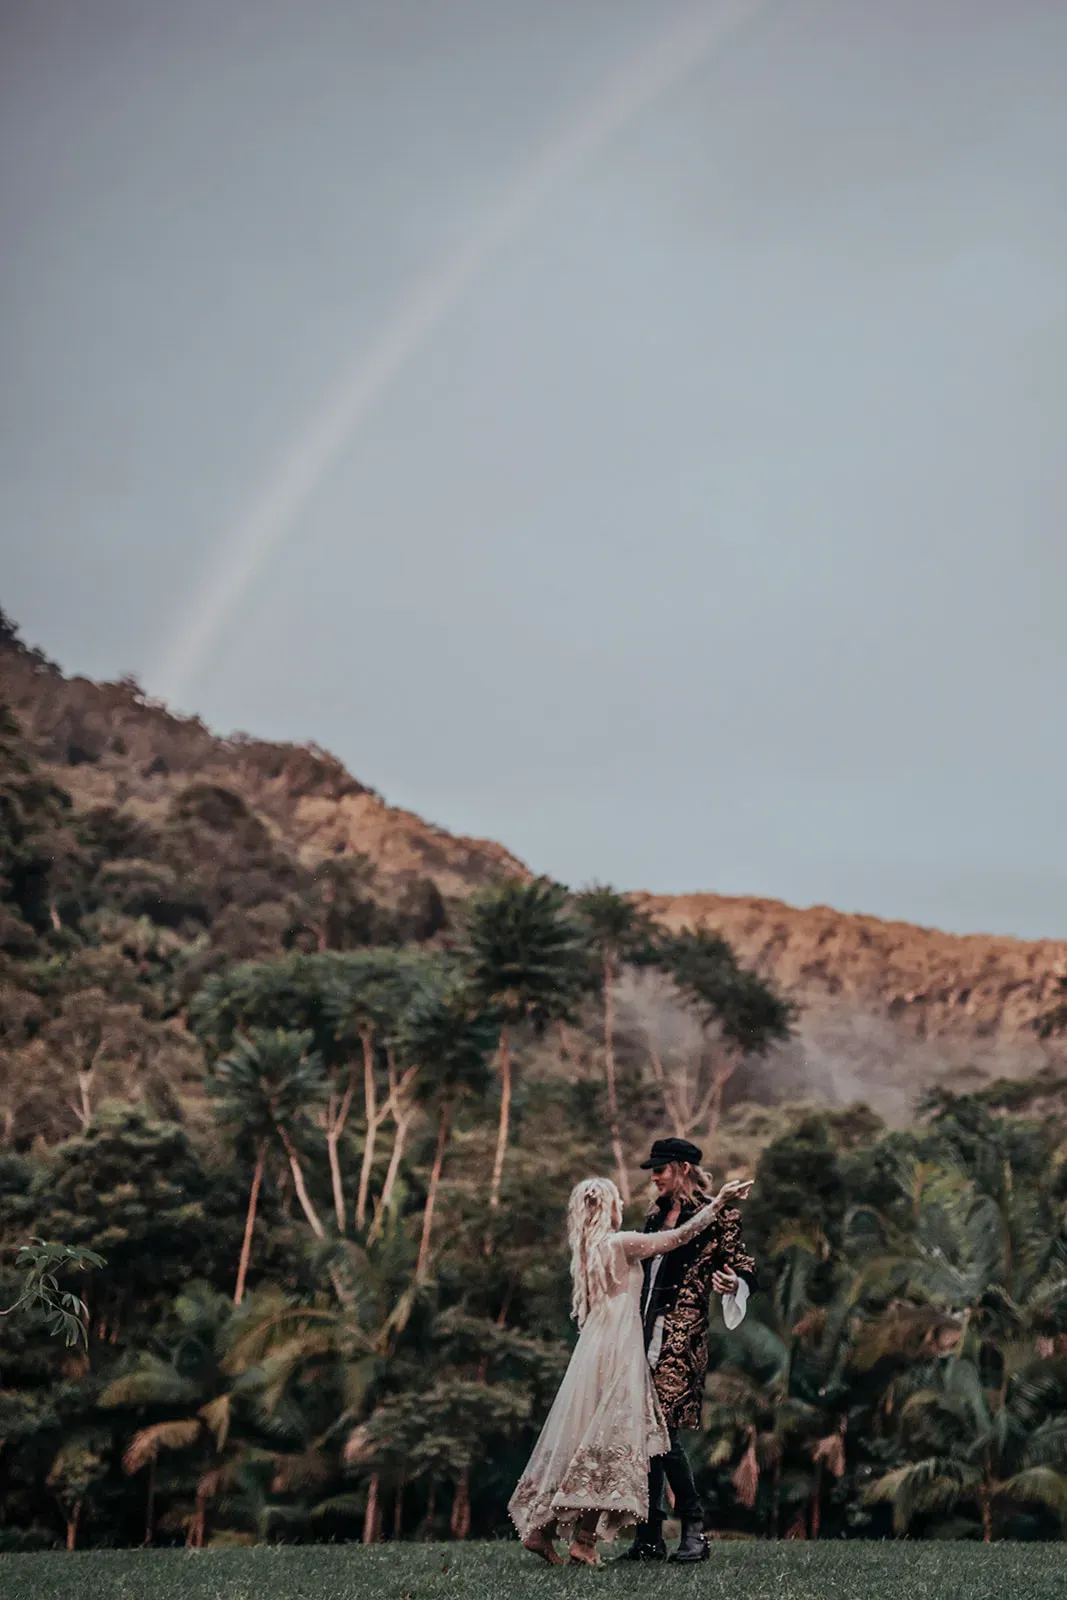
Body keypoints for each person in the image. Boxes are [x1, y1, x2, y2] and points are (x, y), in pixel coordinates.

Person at [508, 1169, 751, 1566]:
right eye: (617, 1201)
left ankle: (547, 1531)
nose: (623, 1206)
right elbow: (677, 1239)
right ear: (607, 1208)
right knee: (608, 1441)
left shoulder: (588, 1252)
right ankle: (584, 1540)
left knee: (588, 1439)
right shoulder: (620, 1243)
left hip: (594, 1352)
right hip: (621, 1353)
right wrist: (719, 1204)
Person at [617, 1136, 757, 1565]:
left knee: (663, 1431)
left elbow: (746, 1266)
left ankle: (694, 1528)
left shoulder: (718, 1214)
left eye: (659, 1169)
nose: (654, 1177)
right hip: (639, 1331)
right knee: (646, 1433)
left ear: (680, 1168)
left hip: (681, 1333)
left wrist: (735, 1284)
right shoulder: (655, 1214)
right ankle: (649, 1537)